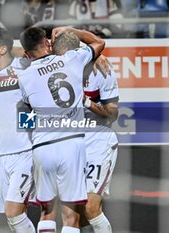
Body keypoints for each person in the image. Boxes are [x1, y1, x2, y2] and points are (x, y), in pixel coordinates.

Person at [18, 26, 105, 233]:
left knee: (47, 211)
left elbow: (25, 117)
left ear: (26, 53)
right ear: (47, 43)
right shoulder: (71, 59)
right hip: (70, 142)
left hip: (42, 146)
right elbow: (99, 43)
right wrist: (72, 30)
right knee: (71, 215)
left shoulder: (24, 76)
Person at [52, 31, 119, 233]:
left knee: (91, 207)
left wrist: (86, 101)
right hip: (71, 142)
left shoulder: (102, 70)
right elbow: (26, 46)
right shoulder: (55, 65)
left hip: (98, 141)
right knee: (74, 215)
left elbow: (113, 114)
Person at [0, 27, 36, 233]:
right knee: (12, 217)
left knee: (14, 211)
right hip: (2, 155)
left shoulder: (24, 67)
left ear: (2, 50)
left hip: (26, 152)